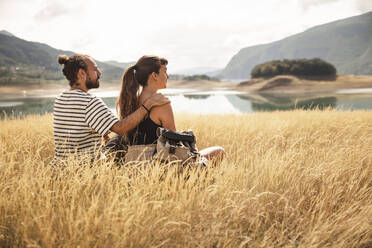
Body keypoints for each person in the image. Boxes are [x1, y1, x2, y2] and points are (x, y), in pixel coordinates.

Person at [53, 54, 169, 161]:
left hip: (60, 166)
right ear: (81, 74)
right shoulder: (90, 102)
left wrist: (103, 131)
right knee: (121, 138)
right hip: (86, 168)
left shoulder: (60, 98)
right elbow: (120, 128)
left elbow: (76, 123)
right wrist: (148, 105)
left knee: (116, 139)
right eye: (95, 69)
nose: (99, 73)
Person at [116, 55, 225, 163]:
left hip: (134, 163)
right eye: (165, 71)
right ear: (154, 75)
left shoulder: (131, 101)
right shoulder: (162, 105)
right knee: (219, 151)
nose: (167, 76)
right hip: (158, 165)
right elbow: (175, 145)